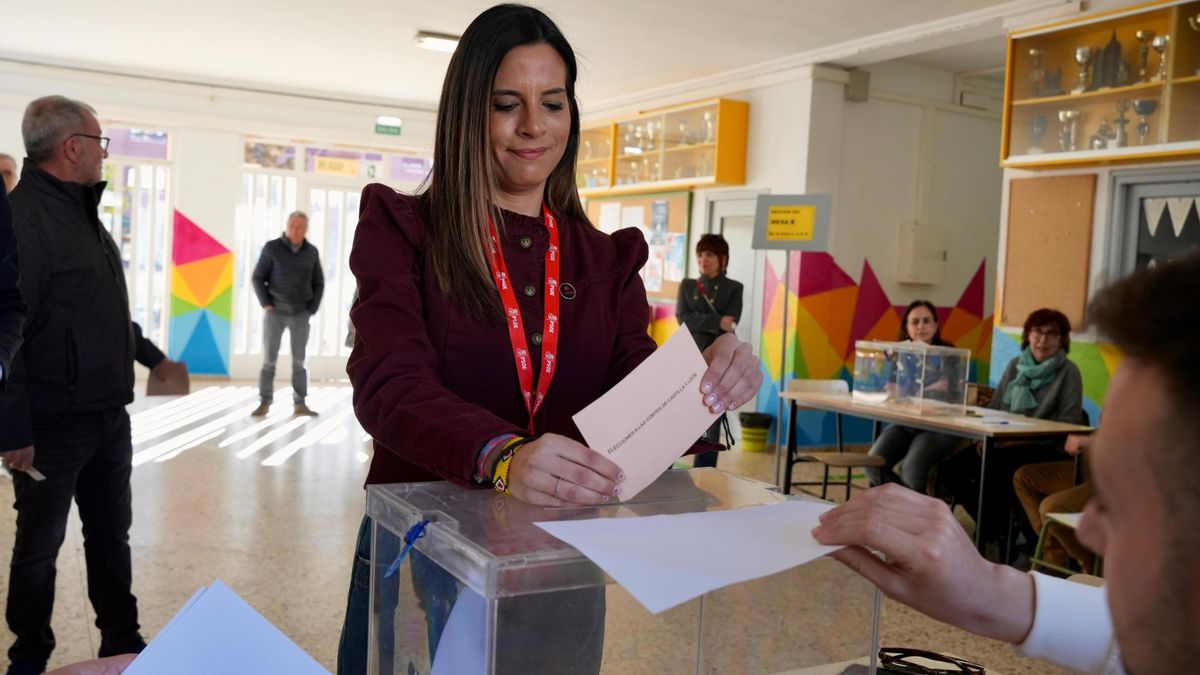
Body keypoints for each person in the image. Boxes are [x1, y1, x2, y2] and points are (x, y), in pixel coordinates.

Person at [336, 5, 762, 673]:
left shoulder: (606, 259)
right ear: (466, 115)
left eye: (553, 103)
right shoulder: (405, 230)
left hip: (559, 560)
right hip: (424, 551)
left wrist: (707, 381)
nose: (534, 125)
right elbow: (389, 384)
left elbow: (635, 399)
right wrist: (505, 455)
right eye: (507, 104)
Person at [813, 252, 1200, 675]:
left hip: (1035, 449)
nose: (1087, 528)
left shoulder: (1064, 373)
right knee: (959, 469)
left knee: (967, 468)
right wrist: (985, 590)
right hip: (989, 439)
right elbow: (1119, 638)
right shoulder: (1015, 365)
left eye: (1120, 502)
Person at [0, 96, 146, 675]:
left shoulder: (80, 210)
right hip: (50, 425)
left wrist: (152, 357)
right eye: (99, 141)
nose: (104, 153)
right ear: (72, 147)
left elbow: (93, 308)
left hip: (107, 413)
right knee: (38, 548)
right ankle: (28, 654)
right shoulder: (22, 221)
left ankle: (122, 641)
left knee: (111, 536)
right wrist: (13, 429)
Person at [945, 307, 1085, 546]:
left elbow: (1070, 423)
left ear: (1062, 340)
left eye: (1051, 334)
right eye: (1037, 331)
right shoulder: (1015, 366)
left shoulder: (1069, 372)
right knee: (952, 471)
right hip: (1003, 441)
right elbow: (995, 407)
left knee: (996, 469)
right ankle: (996, 529)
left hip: (1045, 447)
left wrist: (1020, 440)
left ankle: (996, 535)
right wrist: (982, 437)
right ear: (1028, 335)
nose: (1043, 339)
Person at [864, 300, 959, 492]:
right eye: (915, 322)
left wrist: (909, 391)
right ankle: (903, 504)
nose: (921, 326)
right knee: (872, 464)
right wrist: (892, 390)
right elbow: (892, 389)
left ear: (935, 326)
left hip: (938, 426)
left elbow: (947, 392)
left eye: (926, 321)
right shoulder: (899, 354)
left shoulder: (949, 355)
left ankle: (911, 509)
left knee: (911, 470)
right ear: (906, 328)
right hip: (905, 423)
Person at [675, 233, 743, 468]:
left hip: (718, 361)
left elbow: (731, 323)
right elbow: (683, 319)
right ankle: (667, 466)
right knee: (677, 414)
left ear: (722, 259)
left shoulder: (733, 288)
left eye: (710, 254)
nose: (704, 259)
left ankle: (705, 471)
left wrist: (700, 320)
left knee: (711, 416)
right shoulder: (688, 286)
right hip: (689, 356)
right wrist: (716, 321)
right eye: (701, 254)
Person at [249, 211, 323, 417]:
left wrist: (312, 308)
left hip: (301, 314)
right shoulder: (272, 248)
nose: (295, 230)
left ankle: (300, 403)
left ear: (306, 229)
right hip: (275, 313)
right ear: (287, 226)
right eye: (292, 225)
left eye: (299, 226)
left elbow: (319, 282)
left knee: (300, 362)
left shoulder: (311, 252)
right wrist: (266, 303)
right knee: (269, 361)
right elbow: (257, 277)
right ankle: (264, 402)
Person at [1012, 432, 1095, 570]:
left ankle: (1089, 564)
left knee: (1051, 508)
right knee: (1023, 478)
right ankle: (1054, 554)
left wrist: (1092, 442)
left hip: (1117, 478)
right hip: (1091, 464)